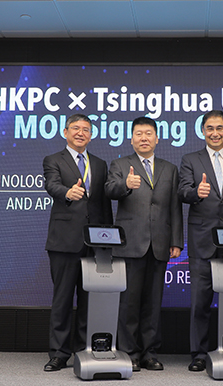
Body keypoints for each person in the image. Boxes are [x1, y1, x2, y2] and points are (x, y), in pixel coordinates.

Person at [105, 116, 183, 372]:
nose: (144, 138)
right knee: (129, 301)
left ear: (157, 138)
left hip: (160, 244)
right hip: (131, 243)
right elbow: (110, 189)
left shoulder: (169, 169)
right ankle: (129, 352)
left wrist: (176, 242)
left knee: (153, 301)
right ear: (131, 138)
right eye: (139, 134)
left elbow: (175, 207)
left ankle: (150, 352)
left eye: (148, 133)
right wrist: (125, 185)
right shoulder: (120, 164)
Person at [178, 110, 223, 372]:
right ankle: (198, 353)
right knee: (200, 301)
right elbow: (183, 191)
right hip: (202, 241)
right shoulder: (190, 159)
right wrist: (196, 193)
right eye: (209, 128)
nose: (215, 133)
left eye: (219, 128)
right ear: (203, 132)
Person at [42, 114, 112, 371]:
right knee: (62, 299)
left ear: (91, 135)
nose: (80, 133)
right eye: (76, 129)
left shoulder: (100, 163)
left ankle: (85, 348)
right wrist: (67, 193)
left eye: (86, 129)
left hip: (94, 243)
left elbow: (104, 205)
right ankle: (59, 353)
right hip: (64, 242)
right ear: (65, 132)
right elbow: (52, 185)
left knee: (89, 300)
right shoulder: (53, 160)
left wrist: (108, 240)